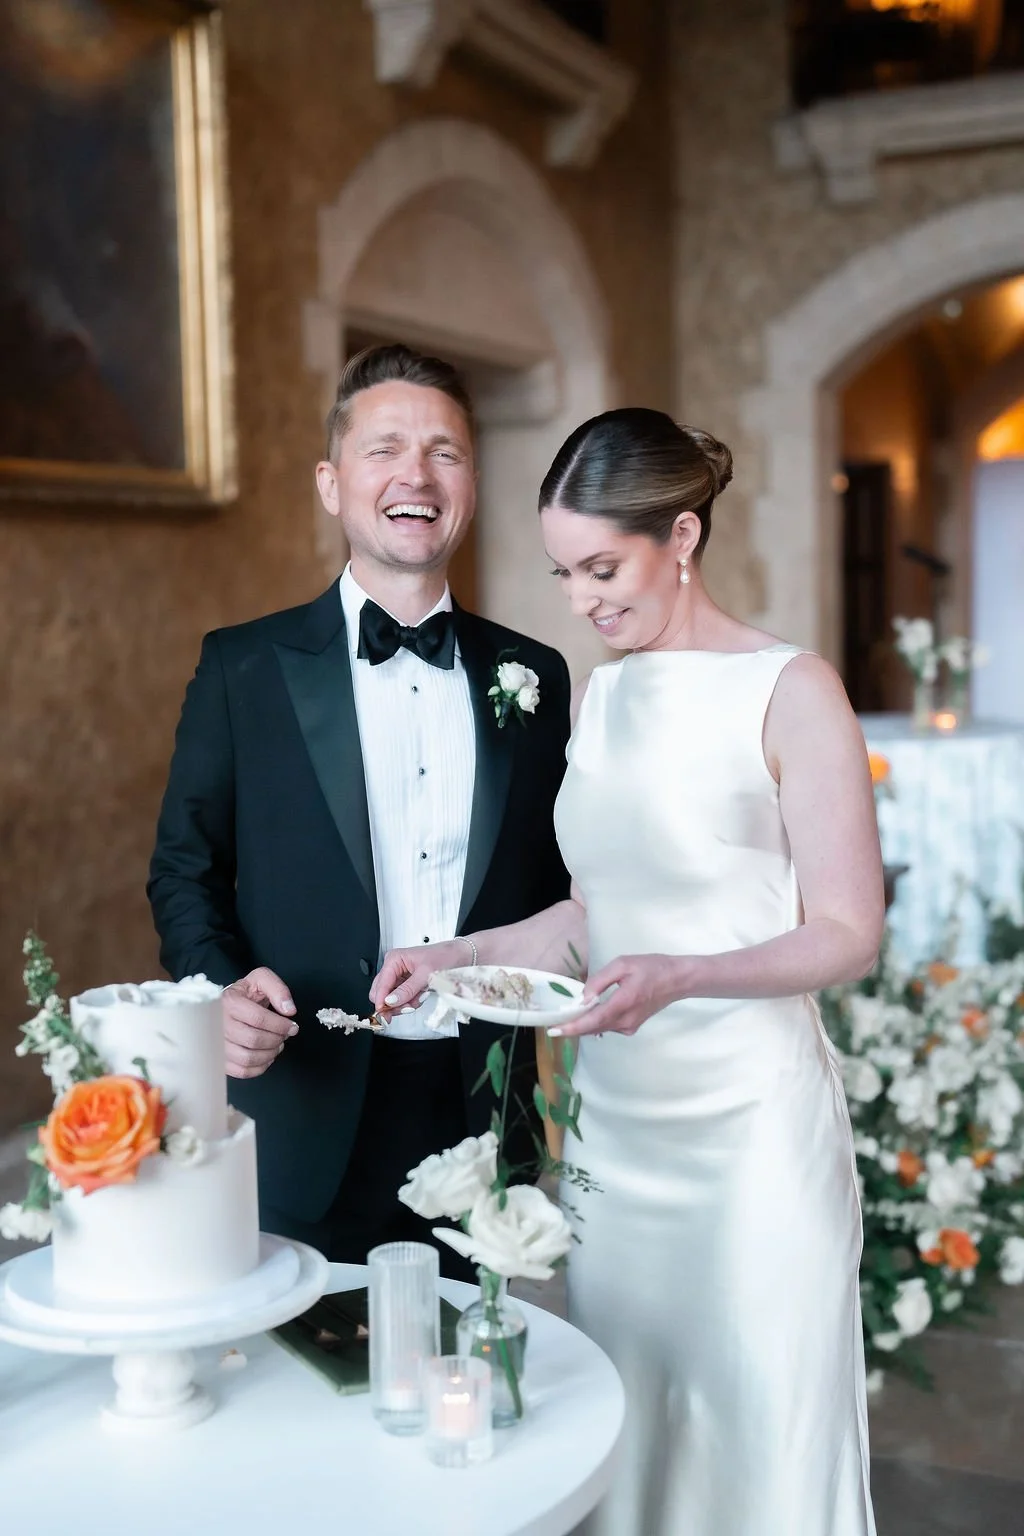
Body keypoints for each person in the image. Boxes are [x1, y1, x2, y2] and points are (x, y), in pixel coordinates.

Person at [372, 407, 883, 1535]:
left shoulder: (791, 689)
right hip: (619, 1136)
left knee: (757, 1429)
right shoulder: (602, 699)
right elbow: (593, 916)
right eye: (563, 573)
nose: (584, 599)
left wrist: (680, 977)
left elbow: (848, 930)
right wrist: (450, 955)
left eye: (603, 566)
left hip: (749, 1137)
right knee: (627, 1424)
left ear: (683, 538)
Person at [148, 344, 571, 1277]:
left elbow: (559, 894)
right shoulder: (242, 669)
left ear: (470, 485)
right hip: (302, 1100)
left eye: (444, 453)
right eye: (384, 450)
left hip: (481, 1104)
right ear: (333, 485)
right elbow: (184, 870)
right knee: (291, 1383)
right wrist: (217, 992)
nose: (414, 475)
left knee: (469, 1389)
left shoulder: (536, 676)